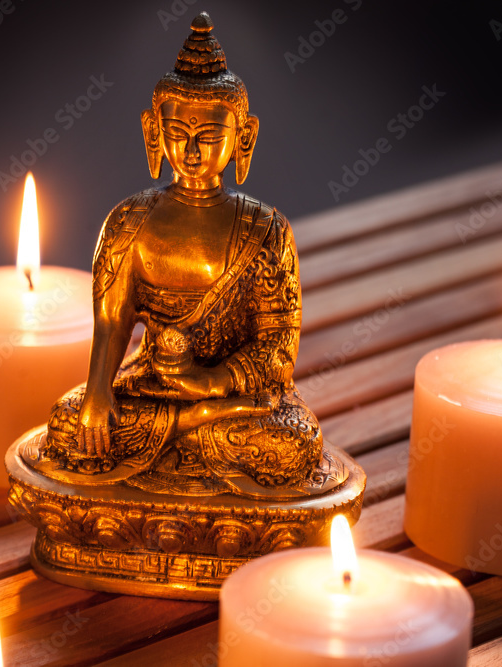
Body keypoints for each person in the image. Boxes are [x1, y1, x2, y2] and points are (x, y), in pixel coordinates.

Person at [37, 12, 340, 499]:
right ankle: (189, 426)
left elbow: (278, 349)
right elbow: (113, 322)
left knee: (292, 442)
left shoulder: (266, 230)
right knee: (71, 424)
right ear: (153, 131)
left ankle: (186, 428)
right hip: (153, 385)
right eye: (178, 133)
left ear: (244, 137)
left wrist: (211, 381)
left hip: (235, 398)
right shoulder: (129, 222)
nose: (192, 150)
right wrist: (98, 391)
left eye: (210, 137)